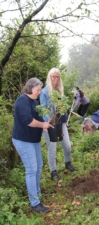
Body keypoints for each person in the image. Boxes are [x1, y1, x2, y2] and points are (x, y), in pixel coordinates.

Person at [12, 77, 53, 213]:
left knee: (39, 166)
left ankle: (37, 194)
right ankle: (35, 203)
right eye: (38, 89)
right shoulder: (22, 100)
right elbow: (28, 120)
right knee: (31, 168)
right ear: (30, 88)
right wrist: (42, 125)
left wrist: (47, 123)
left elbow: (40, 118)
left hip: (33, 140)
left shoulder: (34, 102)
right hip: (23, 140)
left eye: (40, 90)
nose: (39, 92)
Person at [40, 68, 77, 181]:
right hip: (50, 124)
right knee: (52, 148)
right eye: (54, 76)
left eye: (58, 76)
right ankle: (53, 172)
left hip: (61, 123)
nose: (56, 79)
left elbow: (62, 107)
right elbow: (42, 109)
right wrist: (47, 121)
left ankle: (68, 163)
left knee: (67, 146)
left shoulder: (60, 90)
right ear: (49, 77)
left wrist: (66, 115)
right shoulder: (44, 92)